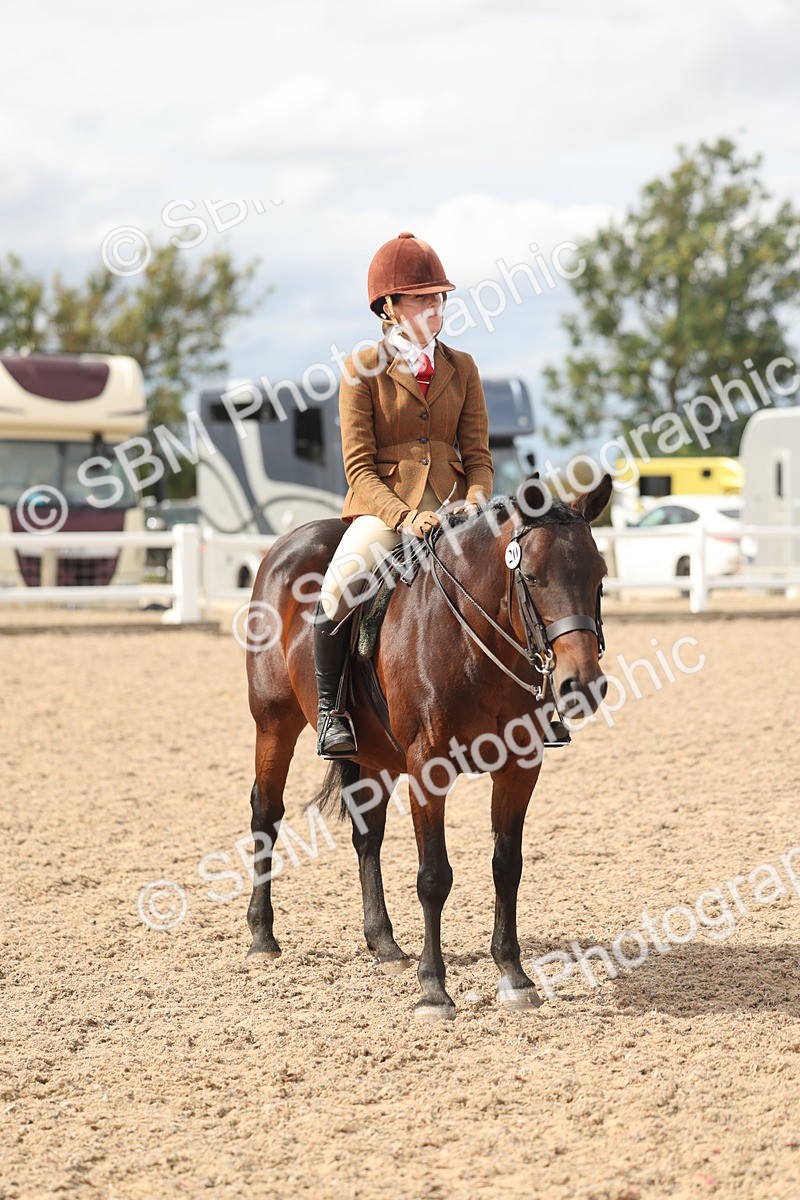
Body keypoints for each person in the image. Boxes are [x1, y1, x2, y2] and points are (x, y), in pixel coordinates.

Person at [313, 231, 494, 758]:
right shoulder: (360, 370)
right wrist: (406, 516)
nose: (436, 305)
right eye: (422, 297)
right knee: (339, 585)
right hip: (388, 509)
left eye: (439, 296)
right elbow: (359, 469)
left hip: (460, 506)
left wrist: (479, 499)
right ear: (389, 307)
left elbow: (478, 455)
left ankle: (539, 698)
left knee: (518, 569)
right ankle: (331, 712)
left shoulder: (463, 367)